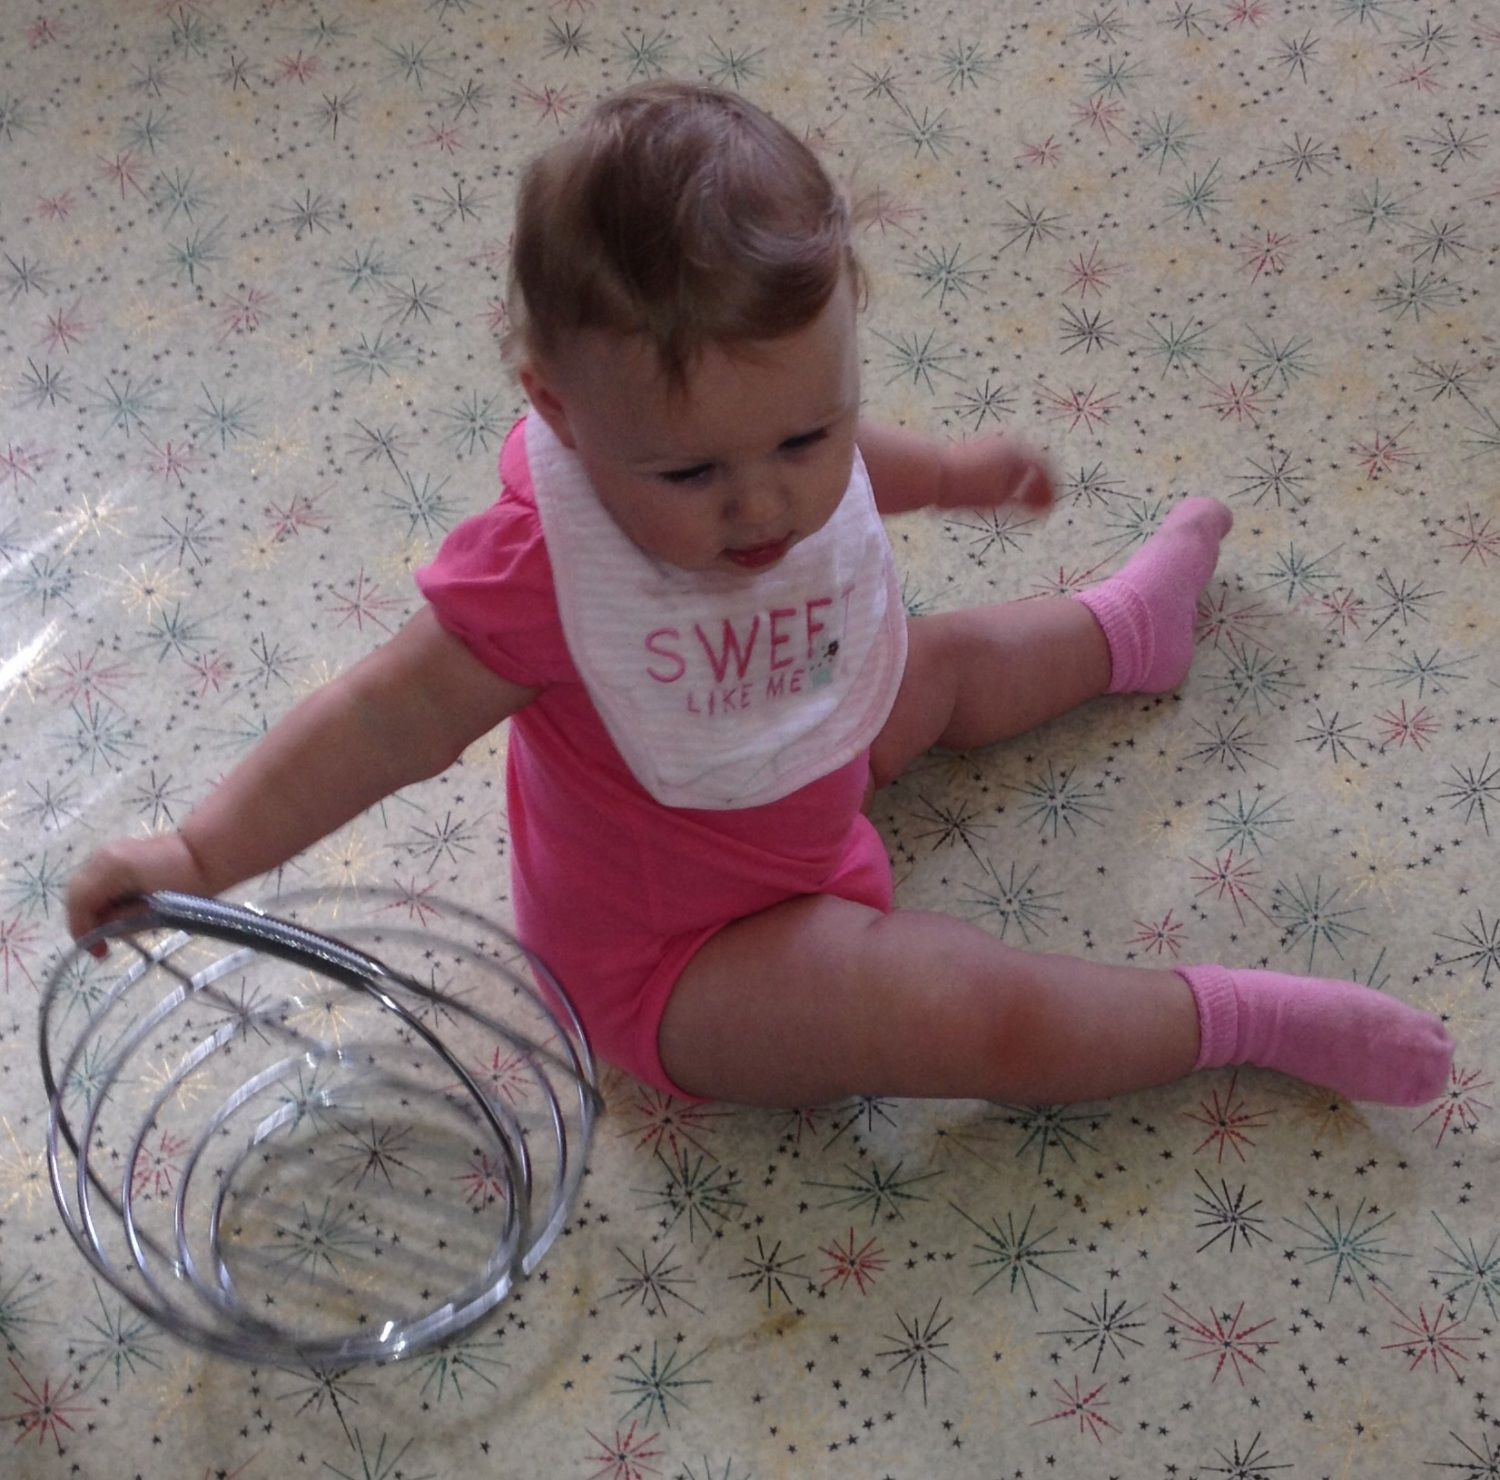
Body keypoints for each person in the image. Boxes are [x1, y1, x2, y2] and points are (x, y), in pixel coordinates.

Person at [66, 82, 1453, 1111]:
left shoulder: (774, 445)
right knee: (968, 1016)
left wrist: (952, 473)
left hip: (800, 767)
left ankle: (1125, 634)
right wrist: (196, 852)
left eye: (808, 436)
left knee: (941, 661)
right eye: (690, 472)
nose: (765, 507)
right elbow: (379, 721)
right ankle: (1233, 1022)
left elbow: (842, 471)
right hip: (684, 958)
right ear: (559, 408)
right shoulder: (544, 569)